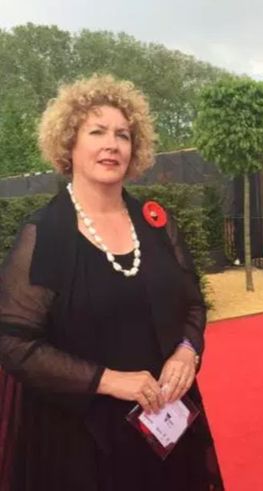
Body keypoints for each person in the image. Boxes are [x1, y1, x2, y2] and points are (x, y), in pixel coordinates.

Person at [0, 75, 224, 490]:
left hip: (161, 423)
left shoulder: (157, 224)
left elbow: (192, 303)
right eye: (97, 131)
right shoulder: (44, 234)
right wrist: (109, 380)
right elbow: (13, 342)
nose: (112, 144)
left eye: (123, 134)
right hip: (77, 439)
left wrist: (187, 351)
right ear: (70, 143)